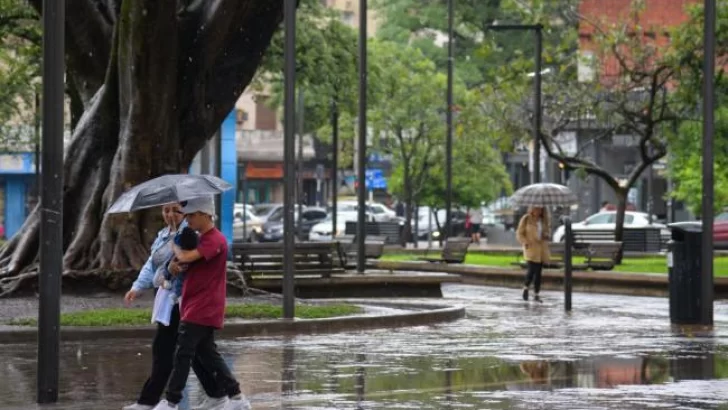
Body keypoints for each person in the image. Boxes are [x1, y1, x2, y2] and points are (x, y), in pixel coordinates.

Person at [123, 204, 225, 410]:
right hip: (166, 298)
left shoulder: (189, 236)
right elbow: (152, 264)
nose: (170, 215)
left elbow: (190, 267)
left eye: (176, 210)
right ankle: (219, 393)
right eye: (166, 210)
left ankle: (156, 401)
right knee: (192, 351)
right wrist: (138, 286)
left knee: (174, 349)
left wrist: (169, 272)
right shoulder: (163, 235)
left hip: (183, 300)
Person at [154, 196, 248, 410]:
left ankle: (171, 401)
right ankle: (235, 397)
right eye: (186, 216)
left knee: (183, 352)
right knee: (208, 354)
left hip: (203, 306)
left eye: (192, 215)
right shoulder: (200, 237)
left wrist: (174, 244)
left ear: (206, 214)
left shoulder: (215, 239)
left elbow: (187, 257)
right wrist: (175, 266)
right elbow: (184, 263)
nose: (188, 220)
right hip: (193, 303)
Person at [516, 206, 550, 302]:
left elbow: (547, 232)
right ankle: (526, 288)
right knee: (532, 270)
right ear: (532, 209)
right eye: (536, 209)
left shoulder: (544, 220)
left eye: (540, 209)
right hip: (530, 247)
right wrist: (525, 242)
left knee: (538, 272)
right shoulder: (526, 218)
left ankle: (536, 294)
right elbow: (519, 233)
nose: (538, 211)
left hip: (541, 249)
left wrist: (546, 235)